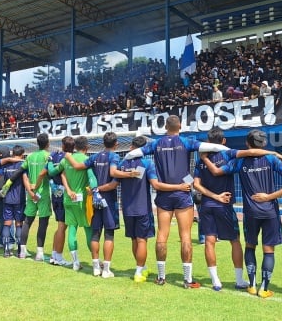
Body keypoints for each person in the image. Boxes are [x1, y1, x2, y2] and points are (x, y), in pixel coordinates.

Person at [123, 115, 229, 288]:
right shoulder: (187, 142)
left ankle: (161, 277)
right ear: (180, 125)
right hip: (182, 194)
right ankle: (187, 280)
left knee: (162, 235)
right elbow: (214, 147)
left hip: (164, 195)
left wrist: (129, 161)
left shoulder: (156, 144)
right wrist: (225, 148)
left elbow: (132, 154)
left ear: (165, 126)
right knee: (185, 236)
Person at [200, 129, 282, 298]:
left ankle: (252, 285)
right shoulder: (271, 159)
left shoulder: (239, 162)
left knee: (249, 246)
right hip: (270, 210)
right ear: (264, 144)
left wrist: (204, 159)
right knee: (268, 250)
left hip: (250, 212)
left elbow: (217, 172)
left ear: (247, 144)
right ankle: (264, 288)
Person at [117, 136, 190, 282]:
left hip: (126, 207)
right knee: (142, 240)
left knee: (134, 240)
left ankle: (144, 269)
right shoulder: (146, 163)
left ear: (131, 147)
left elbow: (114, 180)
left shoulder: (122, 163)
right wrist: (182, 186)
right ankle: (139, 272)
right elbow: (156, 185)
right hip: (143, 207)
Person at [62, 132, 121, 278]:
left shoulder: (94, 157)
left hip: (92, 200)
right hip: (106, 200)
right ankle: (106, 269)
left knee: (94, 233)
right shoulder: (114, 157)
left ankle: (95, 267)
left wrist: (68, 155)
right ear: (116, 144)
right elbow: (113, 182)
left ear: (103, 143)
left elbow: (75, 167)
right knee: (108, 234)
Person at [47, 136, 99, 271]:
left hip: (68, 199)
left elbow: (52, 172)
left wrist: (49, 162)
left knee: (72, 230)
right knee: (89, 230)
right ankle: (96, 263)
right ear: (87, 148)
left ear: (75, 147)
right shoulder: (86, 161)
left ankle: (75, 263)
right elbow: (92, 179)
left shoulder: (65, 160)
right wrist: (94, 191)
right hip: (81, 201)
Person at [0, 145, 27, 257]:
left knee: (7, 224)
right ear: (22, 154)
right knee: (19, 224)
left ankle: (6, 249)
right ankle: (20, 250)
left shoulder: (6, 165)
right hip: (19, 199)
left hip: (7, 198)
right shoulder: (22, 165)